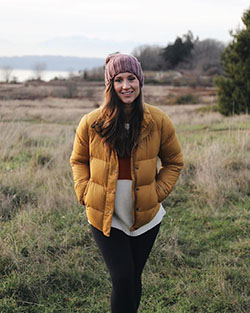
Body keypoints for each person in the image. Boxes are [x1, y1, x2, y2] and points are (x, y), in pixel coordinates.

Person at [70, 53, 184, 313]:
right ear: (110, 85)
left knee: (132, 278)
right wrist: (85, 192)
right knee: (121, 276)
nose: (126, 85)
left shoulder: (158, 121)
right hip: (104, 215)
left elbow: (174, 161)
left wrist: (157, 192)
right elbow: (78, 161)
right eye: (118, 79)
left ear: (140, 81)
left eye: (131, 78)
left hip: (145, 216)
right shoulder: (91, 123)